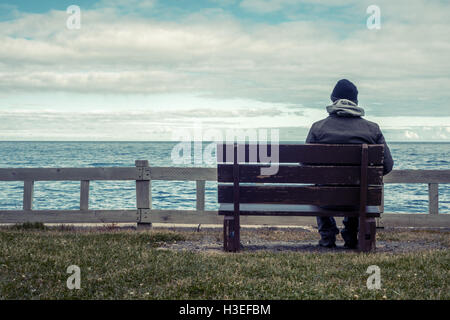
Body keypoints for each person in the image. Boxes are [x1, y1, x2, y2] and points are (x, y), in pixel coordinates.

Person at [305, 79, 394, 249]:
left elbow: (306, 166)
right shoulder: (372, 129)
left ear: (332, 99)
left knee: (319, 187)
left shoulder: (318, 128)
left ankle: (327, 236)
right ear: (356, 102)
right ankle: (351, 236)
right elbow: (387, 166)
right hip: (359, 199)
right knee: (359, 188)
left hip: (325, 198)